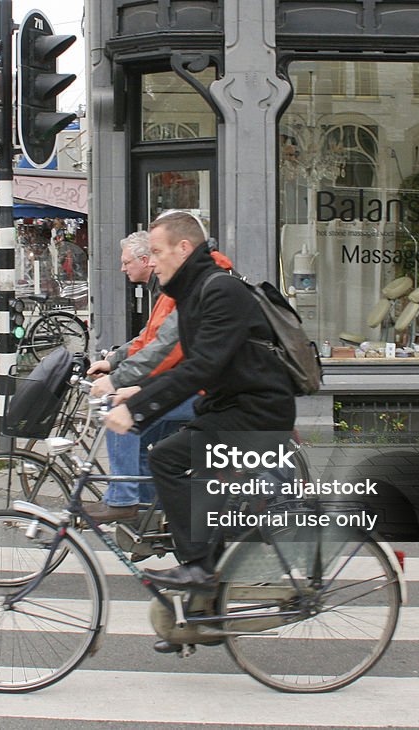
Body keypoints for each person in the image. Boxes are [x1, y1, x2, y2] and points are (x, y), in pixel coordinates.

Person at [104, 211, 296, 590]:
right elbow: (185, 363)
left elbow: (202, 368)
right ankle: (207, 602)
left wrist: (137, 406)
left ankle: (198, 568)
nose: (152, 260)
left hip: (257, 412)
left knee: (166, 458)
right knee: (202, 495)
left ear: (184, 247)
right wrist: (136, 391)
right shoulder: (192, 293)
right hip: (231, 407)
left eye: (157, 251)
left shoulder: (219, 290)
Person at [84, 230, 195, 522]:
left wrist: (122, 381)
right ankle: (150, 518)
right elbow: (150, 339)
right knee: (143, 445)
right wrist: (118, 363)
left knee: (119, 411)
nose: (152, 263)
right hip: (185, 382)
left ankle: (123, 499)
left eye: (156, 254)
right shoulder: (169, 289)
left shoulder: (187, 291)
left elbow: (162, 348)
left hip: (201, 389)